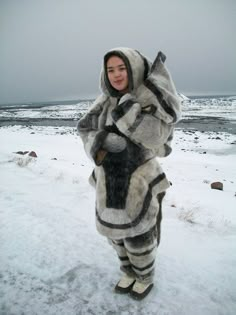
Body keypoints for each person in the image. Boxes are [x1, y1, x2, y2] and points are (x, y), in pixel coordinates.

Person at [77, 47, 181, 300]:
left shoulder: (149, 99)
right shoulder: (104, 101)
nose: (116, 74)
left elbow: (158, 139)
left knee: (140, 234)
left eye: (122, 68)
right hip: (108, 180)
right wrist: (102, 140)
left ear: (133, 68)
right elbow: (85, 128)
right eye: (110, 69)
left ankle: (144, 276)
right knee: (116, 235)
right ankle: (128, 271)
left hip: (139, 180)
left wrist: (128, 115)